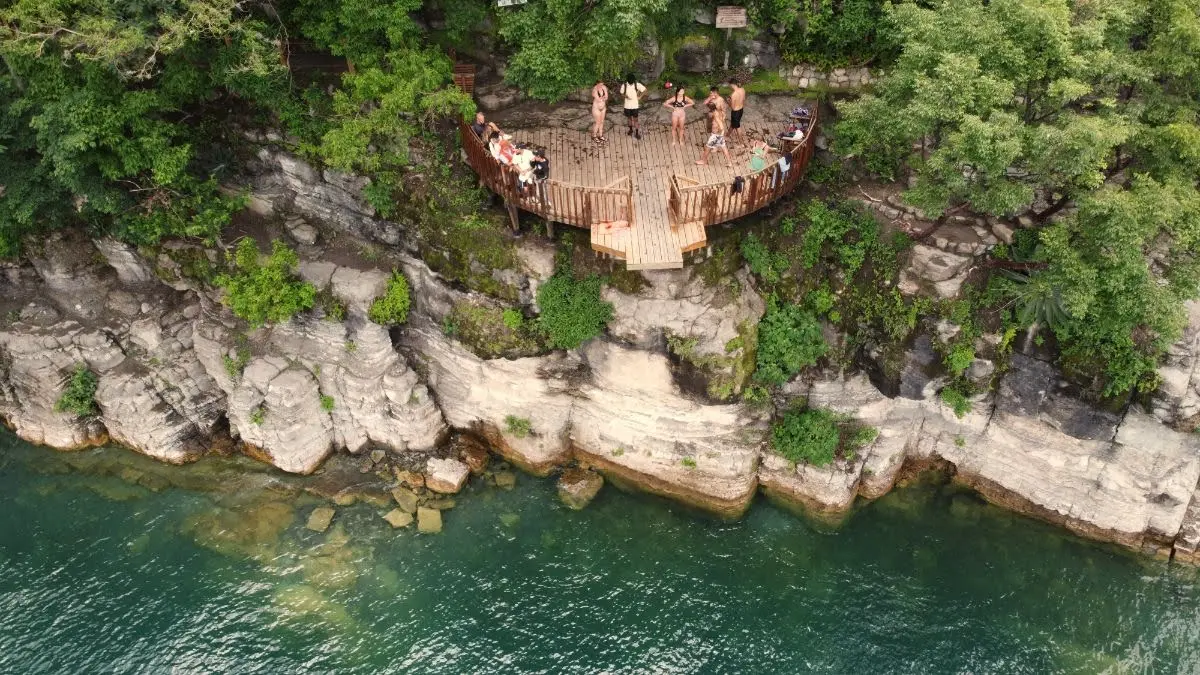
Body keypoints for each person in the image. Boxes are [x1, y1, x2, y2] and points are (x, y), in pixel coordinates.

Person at [696, 101, 732, 167]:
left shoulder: (715, 115)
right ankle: (729, 162)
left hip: (716, 136)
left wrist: (721, 132)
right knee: (724, 148)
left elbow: (721, 126)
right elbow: (724, 116)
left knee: (707, 148)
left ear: (710, 108)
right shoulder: (719, 112)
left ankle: (703, 161)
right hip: (719, 135)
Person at [619, 73, 647, 140]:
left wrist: (640, 96)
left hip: (634, 106)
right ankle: (631, 130)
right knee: (629, 119)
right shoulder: (624, 86)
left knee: (635, 120)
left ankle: (637, 133)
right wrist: (626, 96)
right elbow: (621, 93)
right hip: (627, 106)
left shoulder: (637, 85)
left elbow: (645, 90)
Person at [591, 80, 610, 144]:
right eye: (601, 83)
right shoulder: (595, 90)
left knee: (602, 122)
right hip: (596, 108)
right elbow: (598, 100)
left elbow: (606, 97)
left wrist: (603, 98)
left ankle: (601, 135)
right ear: (597, 83)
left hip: (603, 108)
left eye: (602, 83)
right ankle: (594, 136)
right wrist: (602, 98)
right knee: (598, 122)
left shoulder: (604, 87)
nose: (602, 85)